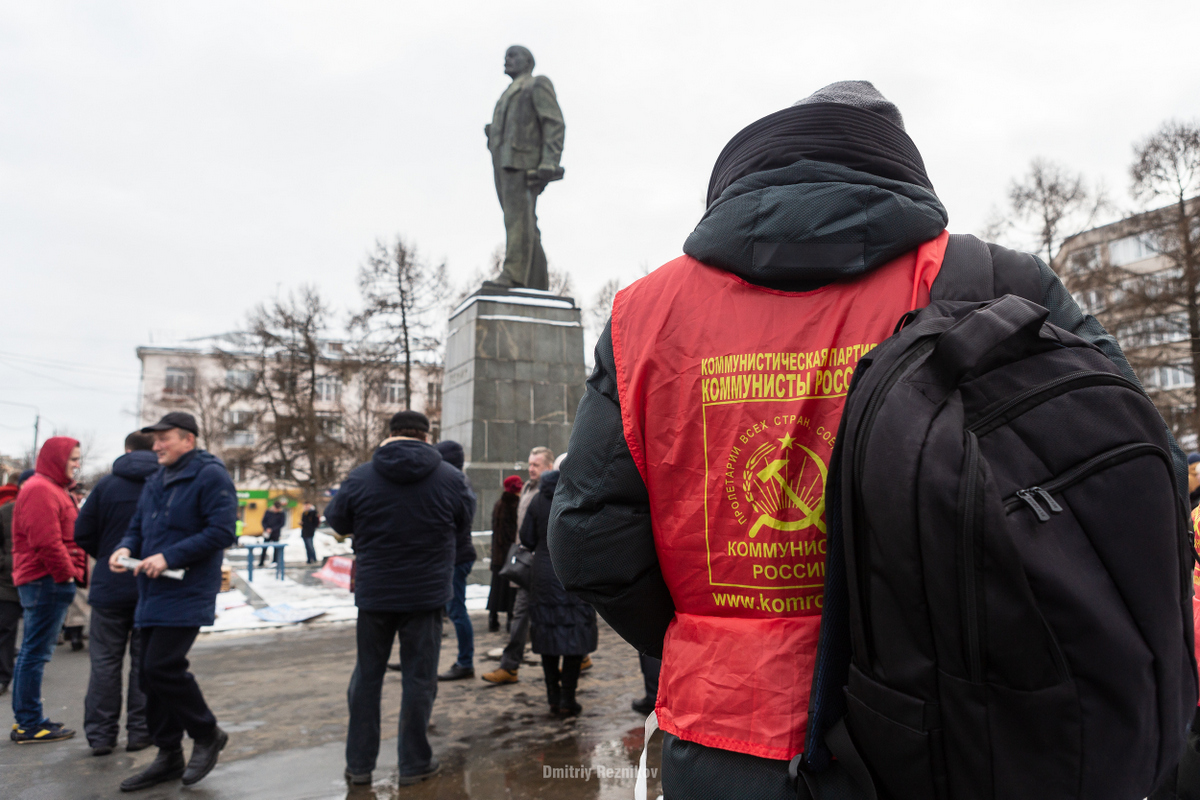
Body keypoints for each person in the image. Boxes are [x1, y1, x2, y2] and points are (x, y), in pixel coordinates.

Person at [548, 81, 1176, 798]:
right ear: (897, 164)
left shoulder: (643, 316)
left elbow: (589, 540)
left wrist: (705, 641)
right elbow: (1126, 469)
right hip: (955, 722)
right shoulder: (997, 285)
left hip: (725, 729)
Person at [324, 411, 474, 787]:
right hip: (426, 594)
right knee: (419, 680)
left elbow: (337, 521)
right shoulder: (451, 478)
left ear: (389, 436)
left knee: (367, 677)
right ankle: (414, 763)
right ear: (427, 437)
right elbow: (463, 525)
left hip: (375, 593)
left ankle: (359, 765)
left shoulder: (360, 476)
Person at [109, 411, 236, 791]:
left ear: (188, 440)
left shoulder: (210, 475)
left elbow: (221, 531)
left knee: (162, 666)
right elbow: (137, 526)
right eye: (155, 439)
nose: (157, 445)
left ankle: (207, 732)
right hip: (151, 590)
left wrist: (169, 556)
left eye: (164, 438)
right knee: (147, 674)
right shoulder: (156, 479)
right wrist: (125, 547)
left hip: (187, 587)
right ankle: (168, 754)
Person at [74, 431, 157, 756]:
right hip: (149, 585)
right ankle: (140, 732)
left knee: (105, 664)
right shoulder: (164, 486)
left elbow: (82, 532)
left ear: (127, 450)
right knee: (143, 664)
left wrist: (109, 556)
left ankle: (100, 736)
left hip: (110, 587)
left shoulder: (106, 486)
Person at [9, 438, 85, 744]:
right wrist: (66, 575)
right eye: (72, 459)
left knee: (33, 652)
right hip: (46, 581)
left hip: (47, 580)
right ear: (56, 459)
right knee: (34, 654)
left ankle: (29, 720)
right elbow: (46, 541)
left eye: (79, 459)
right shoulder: (41, 489)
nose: (77, 464)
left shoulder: (51, 488)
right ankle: (28, 723)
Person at [484, 45, 565, 290]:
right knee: (524, 221)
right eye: (505, 55)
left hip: (522, 162)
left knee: (517, 220)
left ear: (528, 61)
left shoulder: (536, 84)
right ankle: (537, 283)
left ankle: (514, 275)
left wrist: (550, 161)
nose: (506, 60)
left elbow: (554, 123)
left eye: (513, 55)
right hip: (503, 163)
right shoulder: (508, 92)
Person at [520, 468, 596, 715]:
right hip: (574, 572)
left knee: (547, 636)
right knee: (575, 637)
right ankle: (567, 699)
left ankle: (553, 697)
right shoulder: (582, 496)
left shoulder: (538, 499)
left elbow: (527, 538)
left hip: (543, 575)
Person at [481, 445, 553, 684]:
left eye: (536, 465)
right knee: (520, 614)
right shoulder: (527, 489)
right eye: (530, 464)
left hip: (546, 564)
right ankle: (510, 666)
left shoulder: (553, 490)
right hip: (525, 562)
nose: (530, 469)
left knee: (549, 613)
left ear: (549, 467)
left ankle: (578, 656)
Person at [434, 440, 477, 681]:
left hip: (456, 557)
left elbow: (458, 524)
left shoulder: (456, 484)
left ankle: (465, 662)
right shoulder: (456, 482)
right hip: (453, 555)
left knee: (457, 611)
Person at [0, 472, 30, 697]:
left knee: (34, 635)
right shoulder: (6, 512)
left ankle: (23, 680)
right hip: (8, 581)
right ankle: (3, 676)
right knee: (6, 629)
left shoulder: (44, 509)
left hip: (36, 580)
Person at [486, 475, 522, 633]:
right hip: (510, 555)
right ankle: (509, 620)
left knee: (495, 589)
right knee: (510, 590)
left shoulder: (498, 504)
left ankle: (492, 619)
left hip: (497, 555)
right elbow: (513, 532)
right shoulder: (515, 505)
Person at [259, 499, 286, 567]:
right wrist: (266, 528)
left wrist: (273, 529)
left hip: (275, 533)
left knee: (276, 548)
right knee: (264, 547)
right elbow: (263, 521)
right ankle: (261, 562)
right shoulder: (268, 512)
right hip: (267, 533)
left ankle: (275, 561)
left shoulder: (281, 513)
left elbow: (282, 523)